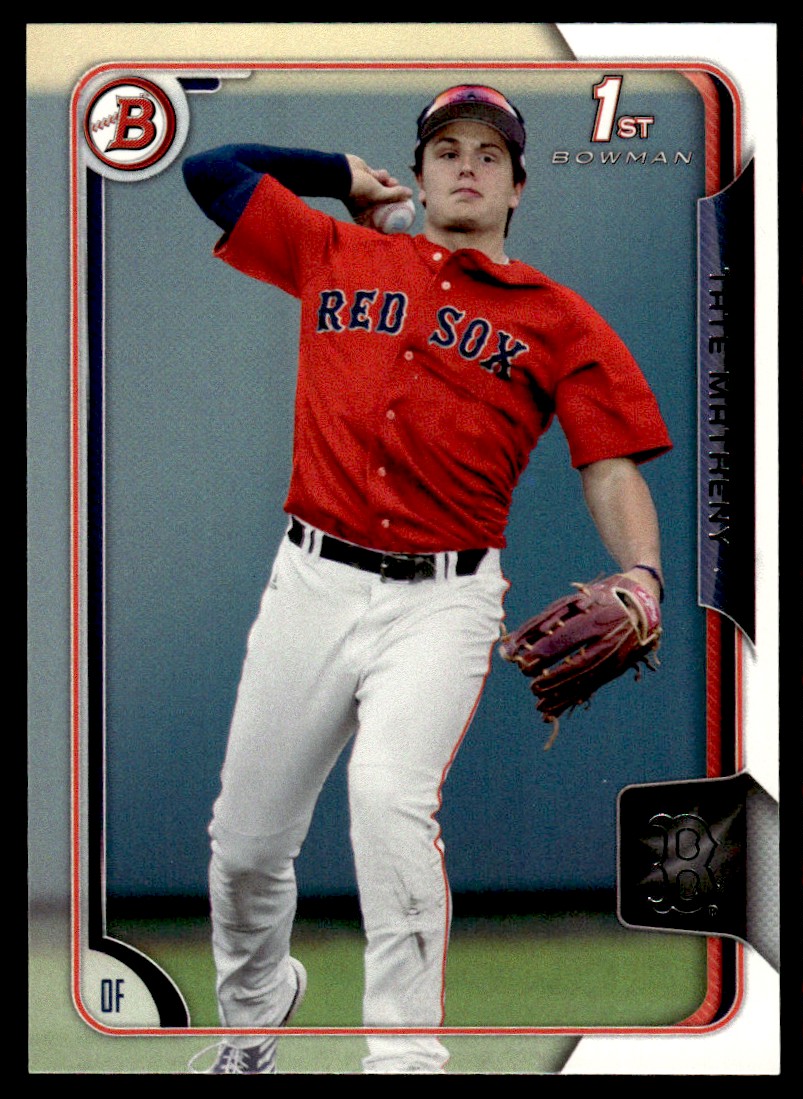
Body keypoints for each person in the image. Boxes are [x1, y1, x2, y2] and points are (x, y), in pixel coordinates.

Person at [182, 84, 671, 1075]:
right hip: (311, 581)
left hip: (443, 601)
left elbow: (609, 464)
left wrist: (643, 572)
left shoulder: (558, 320)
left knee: (388, 802)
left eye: (489, 155)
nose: (466, 166)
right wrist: (334, 175)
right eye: (446, 150)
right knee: (244, 847)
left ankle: (404, 1059)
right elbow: (209, 170)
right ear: (415, 174)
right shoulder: (334, 251)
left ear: (517, 188)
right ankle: (254, 1014)